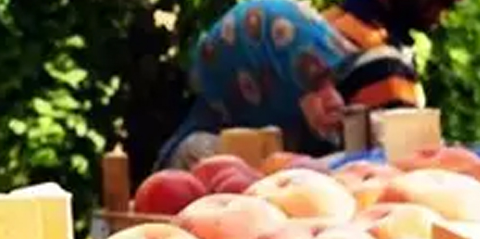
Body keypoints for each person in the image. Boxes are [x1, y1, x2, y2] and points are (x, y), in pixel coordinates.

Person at [156, 0, 456, 170]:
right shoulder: (204, 156)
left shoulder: (361, 54)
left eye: (334, 83)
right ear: (255, 82)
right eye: (312, 84)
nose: (336, 101)